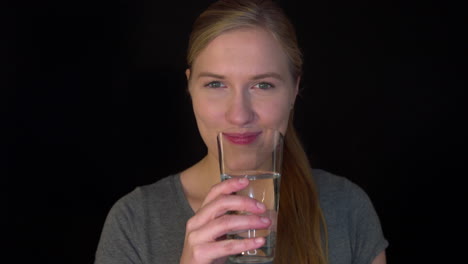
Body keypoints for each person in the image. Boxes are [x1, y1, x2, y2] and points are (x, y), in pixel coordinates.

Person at [94, 0, 388, 263]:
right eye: (215, 84)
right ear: (190, 87)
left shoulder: (347, 208)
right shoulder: (135, 221)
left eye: (263, 85)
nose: (239, 114)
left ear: (294, 89)